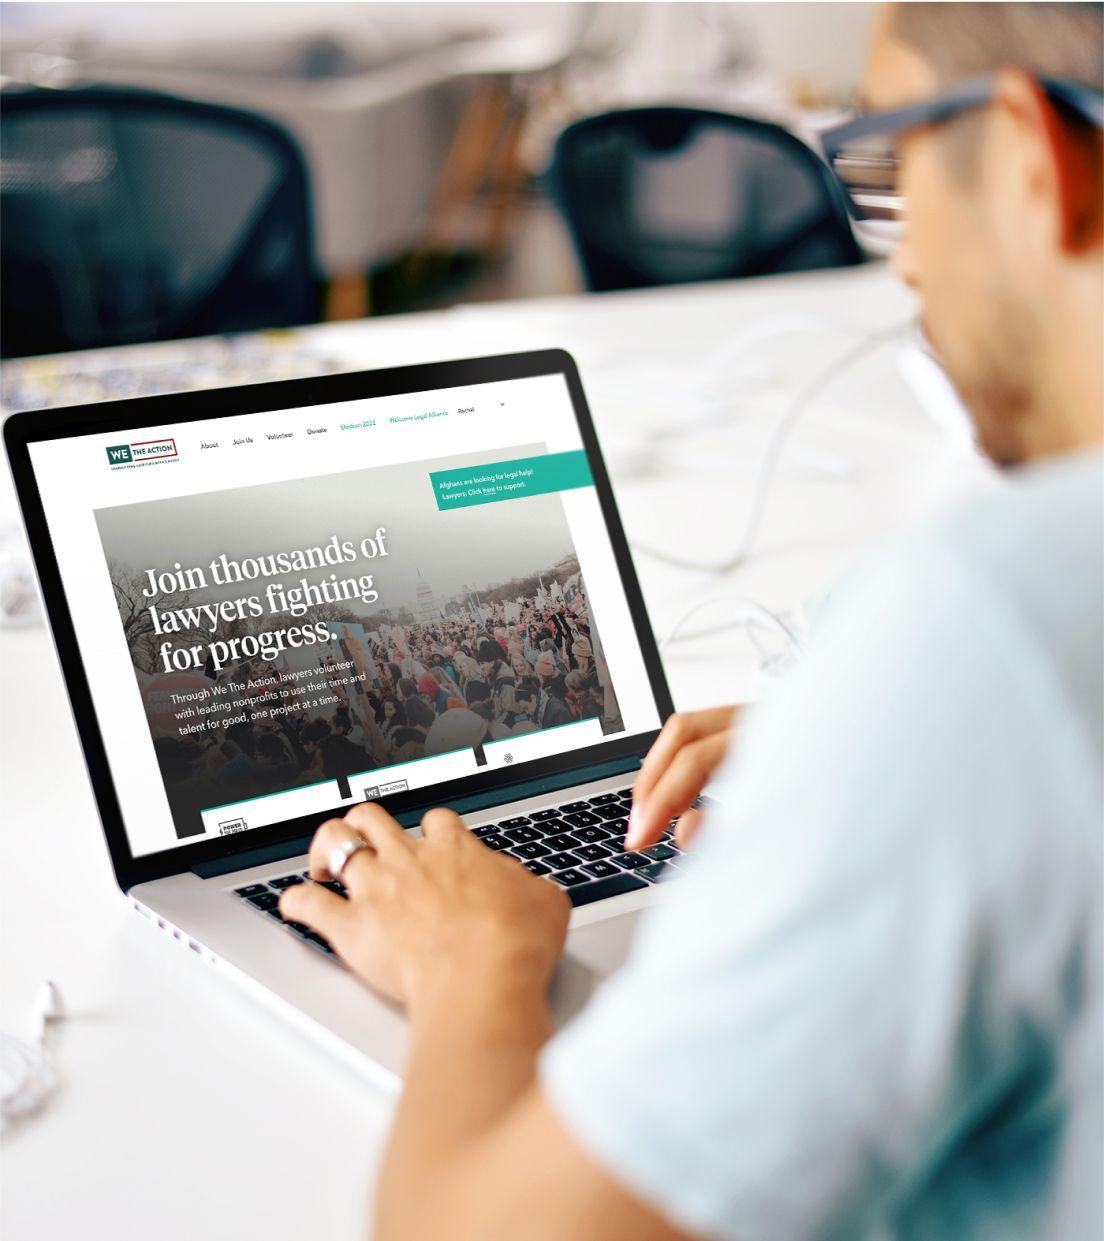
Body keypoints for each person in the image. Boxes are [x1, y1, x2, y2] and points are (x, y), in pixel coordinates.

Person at [281, 10, 1101, 1235]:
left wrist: (472, 965)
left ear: (1032, 156)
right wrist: (876, 752)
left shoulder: (991, 626)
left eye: (888, 162)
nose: (902, 263)